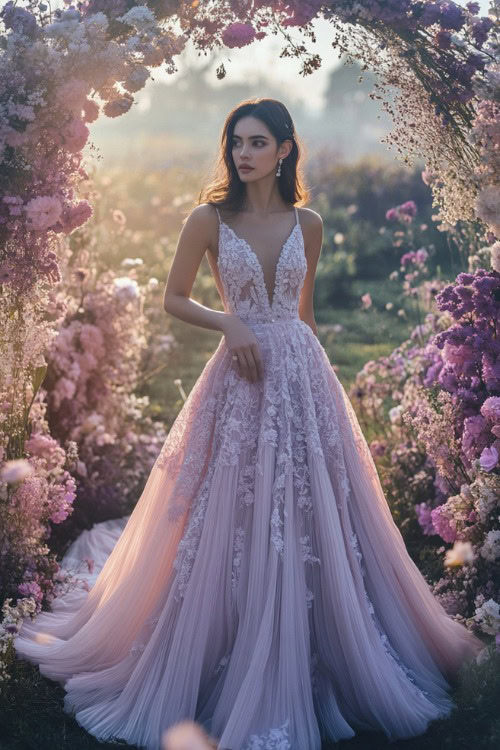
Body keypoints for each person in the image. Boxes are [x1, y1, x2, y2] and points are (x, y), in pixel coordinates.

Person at [15, 97, 485, 750]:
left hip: (300, 376)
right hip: (237, 380)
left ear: (285, 149)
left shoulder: (309, 223)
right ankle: (223, 643)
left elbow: (306, 312)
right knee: (226, 510)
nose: (243, 153)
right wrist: (228, 321)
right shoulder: (209, 218)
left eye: (258, 142)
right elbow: (173, 297)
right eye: (236, 141)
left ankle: (325, 646)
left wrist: (326, 393)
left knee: (314, 509)